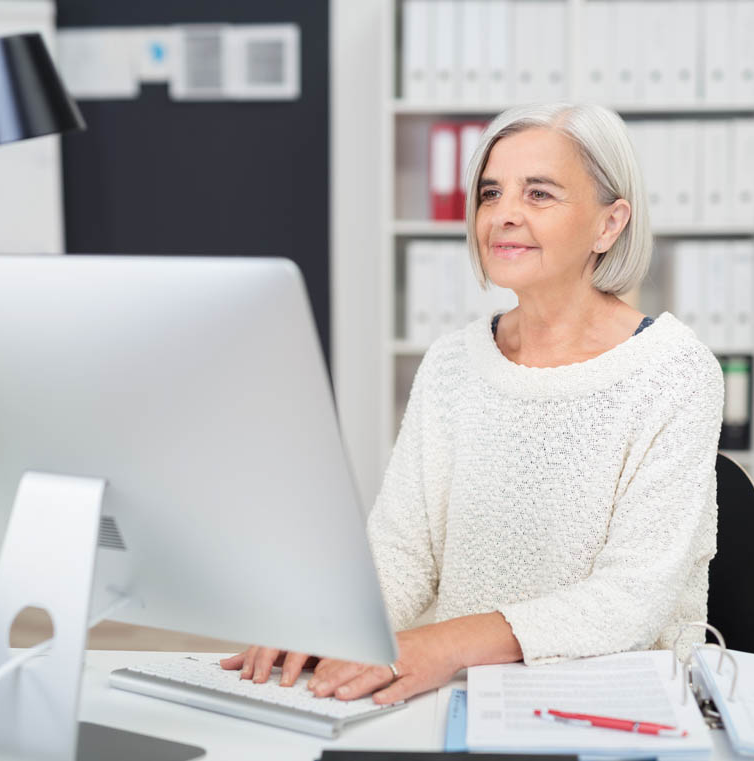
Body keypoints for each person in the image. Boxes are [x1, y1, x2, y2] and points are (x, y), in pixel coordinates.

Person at [221, 102, 723, 706]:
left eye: (539, 194)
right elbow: (403, 552)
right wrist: (326, 621)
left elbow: (633, 598)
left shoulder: (674, 370)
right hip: (463, 694)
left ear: (609, 224)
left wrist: (442, 644)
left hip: (617, 703)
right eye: (490, 193)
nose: (504, 215)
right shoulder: (452, 363)